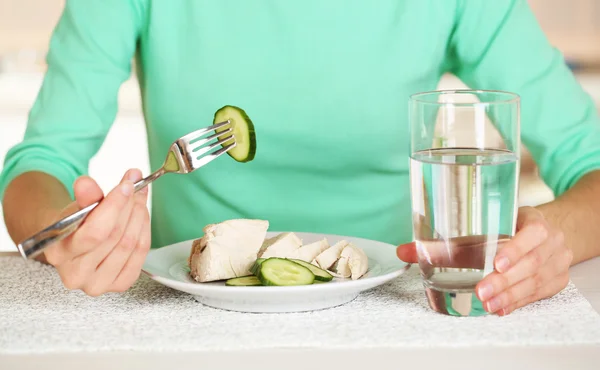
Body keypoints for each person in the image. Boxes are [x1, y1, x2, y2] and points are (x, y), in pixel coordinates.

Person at [2, 0, 599, 315]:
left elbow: (589, 160)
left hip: (393, 327)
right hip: (184, 328)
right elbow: (40, 164)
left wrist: (554, 237)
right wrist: (65, 237)